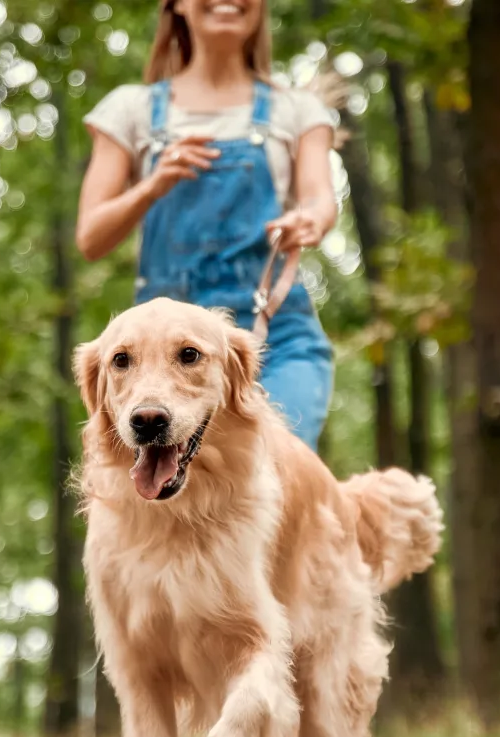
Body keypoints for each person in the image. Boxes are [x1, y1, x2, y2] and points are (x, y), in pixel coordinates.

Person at [76, 0, 339, 450]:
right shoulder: (130, 109)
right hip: (158, 356)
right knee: (173, 487)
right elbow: (90, 237)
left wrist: (309, 218)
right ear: (177, 4)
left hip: (276, 339)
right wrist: (152, 186)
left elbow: (320, 199)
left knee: (282, 467)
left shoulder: (296, 110)